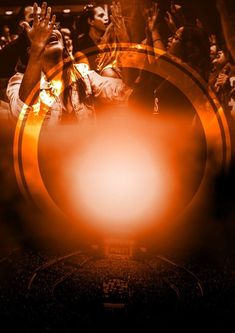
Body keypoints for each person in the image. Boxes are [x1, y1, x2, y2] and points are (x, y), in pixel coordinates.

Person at [7, 3, 131, 126]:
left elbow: (122, 92)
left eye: (54, 27)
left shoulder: (81, 74)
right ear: (29, 50)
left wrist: (126, 44)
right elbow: (21, 117)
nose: (50, 30)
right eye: (42, 34)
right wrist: (37, 49)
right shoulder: (18, 80)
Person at [72, 3, 109, 69]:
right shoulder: (81, 45)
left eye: (106, 15)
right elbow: (86, 76)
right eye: (101, 16)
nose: (106, 18)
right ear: (91, 21)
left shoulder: (109, 40)